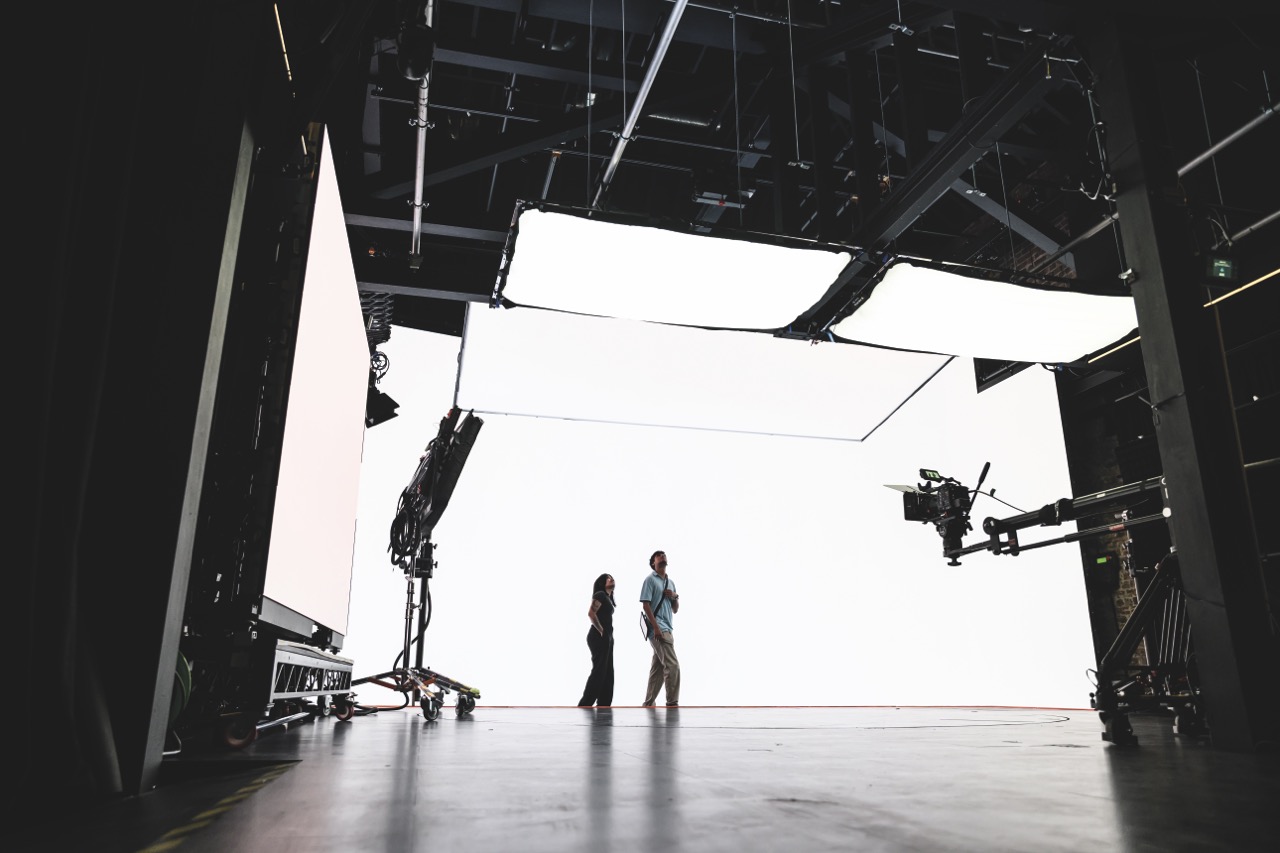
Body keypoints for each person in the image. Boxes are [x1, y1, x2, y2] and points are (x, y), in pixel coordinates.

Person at [640, 550, 680, 706]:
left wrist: (674, 596)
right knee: (672, 665)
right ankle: (672, 702)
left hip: (668, 628)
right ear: (653, 563)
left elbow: (675, 609)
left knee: (657, 669)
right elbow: (646, 604)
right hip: (659, 628)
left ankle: (649, 703)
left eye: (664, 555)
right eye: (659, 556)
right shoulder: (650, 580)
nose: (662, 557)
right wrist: (656, 628)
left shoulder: (671, 583)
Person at [576, 573, 616, 707]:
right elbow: (591, 613)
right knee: (599, 670)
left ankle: (604, 703)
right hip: (598, 637)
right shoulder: (600, 594)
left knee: (608, 671)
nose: (611, 579)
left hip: (608, 638)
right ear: (601, 583)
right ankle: (585, 703)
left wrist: (608, 636)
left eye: (612, 577)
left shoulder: (608, 598)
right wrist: (602, 631)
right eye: (607, 578)